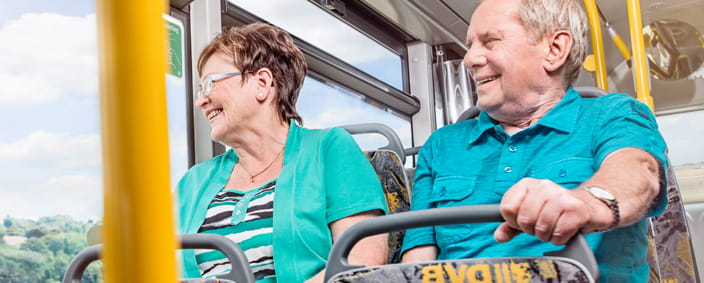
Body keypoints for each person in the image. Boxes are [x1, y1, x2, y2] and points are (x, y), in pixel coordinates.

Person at [401, 0, 668, 282]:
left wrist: (589, 202)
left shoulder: (612, 114)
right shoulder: (441, 144)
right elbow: (418, 260)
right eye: (471, 46)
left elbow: (637, 171)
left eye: (490, 41)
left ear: (554, 51)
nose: (470, 59)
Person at [177, 23, 388, 283]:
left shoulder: (330, 150)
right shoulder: (193, 182)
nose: (200, 101)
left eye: (210, 84)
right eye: (200, 89)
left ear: (262, 83)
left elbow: (362, 261)